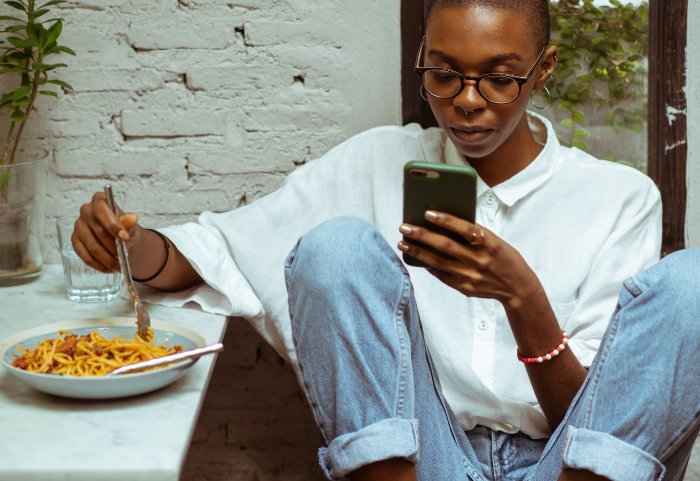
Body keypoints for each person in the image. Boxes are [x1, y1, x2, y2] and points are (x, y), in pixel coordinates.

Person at [72, 0, 700, 480]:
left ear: (543, 69)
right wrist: (132, 245)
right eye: (444, 75)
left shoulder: (619, 197)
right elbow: (223, 250)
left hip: (563, 463)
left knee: (692, 283)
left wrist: (522, 300)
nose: (466, 103)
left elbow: (599, 423)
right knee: (335, 248)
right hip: (421, 459)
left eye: (499, 78)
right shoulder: (375, 163)